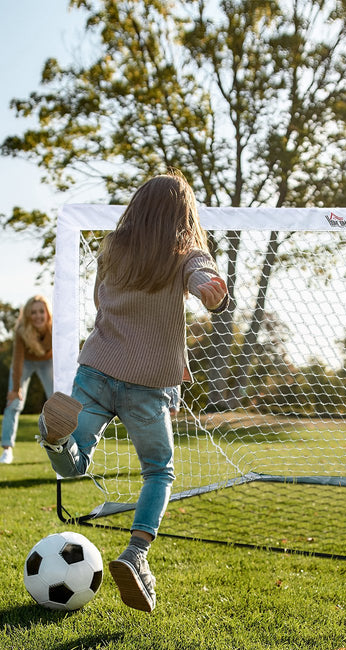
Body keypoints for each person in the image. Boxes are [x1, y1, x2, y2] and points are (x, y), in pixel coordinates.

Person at [37, 170, 229, 613]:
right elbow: (204, 274)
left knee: (76, 461)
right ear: (184, 214)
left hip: (98, 367)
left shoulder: (112, 248)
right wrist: (209, 291)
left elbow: (100, 301)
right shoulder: (185, 252)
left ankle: (56, 438)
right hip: (149, 383)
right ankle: (136, 553)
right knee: (158, 471)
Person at [1, 295, 54, 465]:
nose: (38, 316)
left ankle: (62, 447)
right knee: (14, 402)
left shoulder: (55, 327)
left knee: (57, 402)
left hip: (48, 362)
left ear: (47, 313)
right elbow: (17, 361)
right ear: (28, 315)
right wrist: (16, 389)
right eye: (33, 312)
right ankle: (7, 449)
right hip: (26, 362)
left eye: (41, 311)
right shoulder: (21, 330)